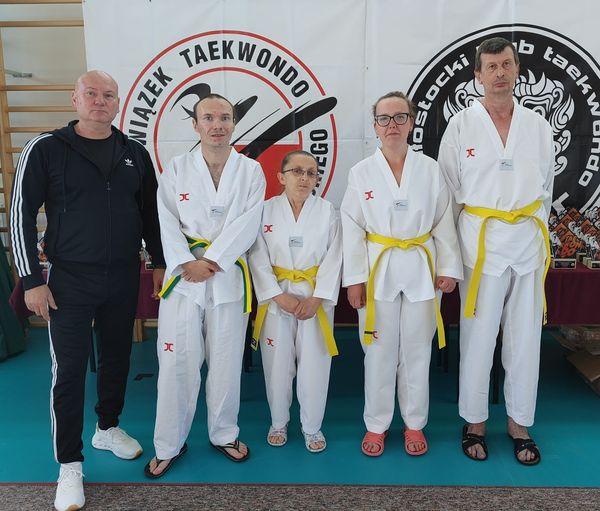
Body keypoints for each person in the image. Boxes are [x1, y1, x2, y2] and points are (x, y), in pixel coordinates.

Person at [10, 70, 165, 511]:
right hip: (68, 279)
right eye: (91, 93)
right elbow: (21, 213)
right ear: (74, 99)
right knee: (70, 370)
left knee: (117, 357)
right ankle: (69, 464)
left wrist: (157, 261)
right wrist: (32, 281)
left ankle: (107, 427)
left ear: (118, 103)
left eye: (108, 95)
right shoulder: (46, 148)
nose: (100, 101)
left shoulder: (134, 152)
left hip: (123, 274)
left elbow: (150, 212)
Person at [437, 37, 554, 465]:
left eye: (506, 64)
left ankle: (519, 423)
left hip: (526, 243)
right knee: (478, 338)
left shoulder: (538, 126)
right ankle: (475, 422)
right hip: (480, 246)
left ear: (517, 69)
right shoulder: (461, 126)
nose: (500, 73)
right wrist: (449, 259)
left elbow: (546, 190)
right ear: (478, 75)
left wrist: (538, 236)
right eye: (491, 66)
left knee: (525, 340)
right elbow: (447, 197)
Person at [144, 93, 266, 478]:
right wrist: (186, 263)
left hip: (226, 277)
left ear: (234, 124)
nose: (217, 125)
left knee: (226, 362)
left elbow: (249, 223)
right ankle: (168, 443)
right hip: (184, 278)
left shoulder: (250, 171)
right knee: (175, 363)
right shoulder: (177, 168)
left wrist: (210, 262)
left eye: (225, 118)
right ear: (195, 125)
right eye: (208, 118)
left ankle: (224, 433)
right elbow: (164, 220)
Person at [341, 91, 462, 458]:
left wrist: (448, 267)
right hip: (378, 270)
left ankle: (414, 423)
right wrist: (354, 279)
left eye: (399, 117)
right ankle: (376, 424)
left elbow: (443, 220)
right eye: (384, 119)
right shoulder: (361, 172)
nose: (391, 125)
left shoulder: (430, 169)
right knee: (377, 351)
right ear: (375, 126)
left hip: (422, 268)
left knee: (417, 349)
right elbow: (351, 227)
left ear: (411, 122)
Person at [248, 150, 342, 453]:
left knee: (315, 364)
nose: (304, 178)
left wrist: (318, 297)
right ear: (281, 177)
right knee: (277, 364)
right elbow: (256, 255)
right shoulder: (264, 211)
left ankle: (312, 427)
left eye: (311, 173)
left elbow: (335, 257)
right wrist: (276, 294)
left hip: (315, 300)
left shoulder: (328, 211)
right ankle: (278, 422)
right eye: (297, 171)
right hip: (276, 298)